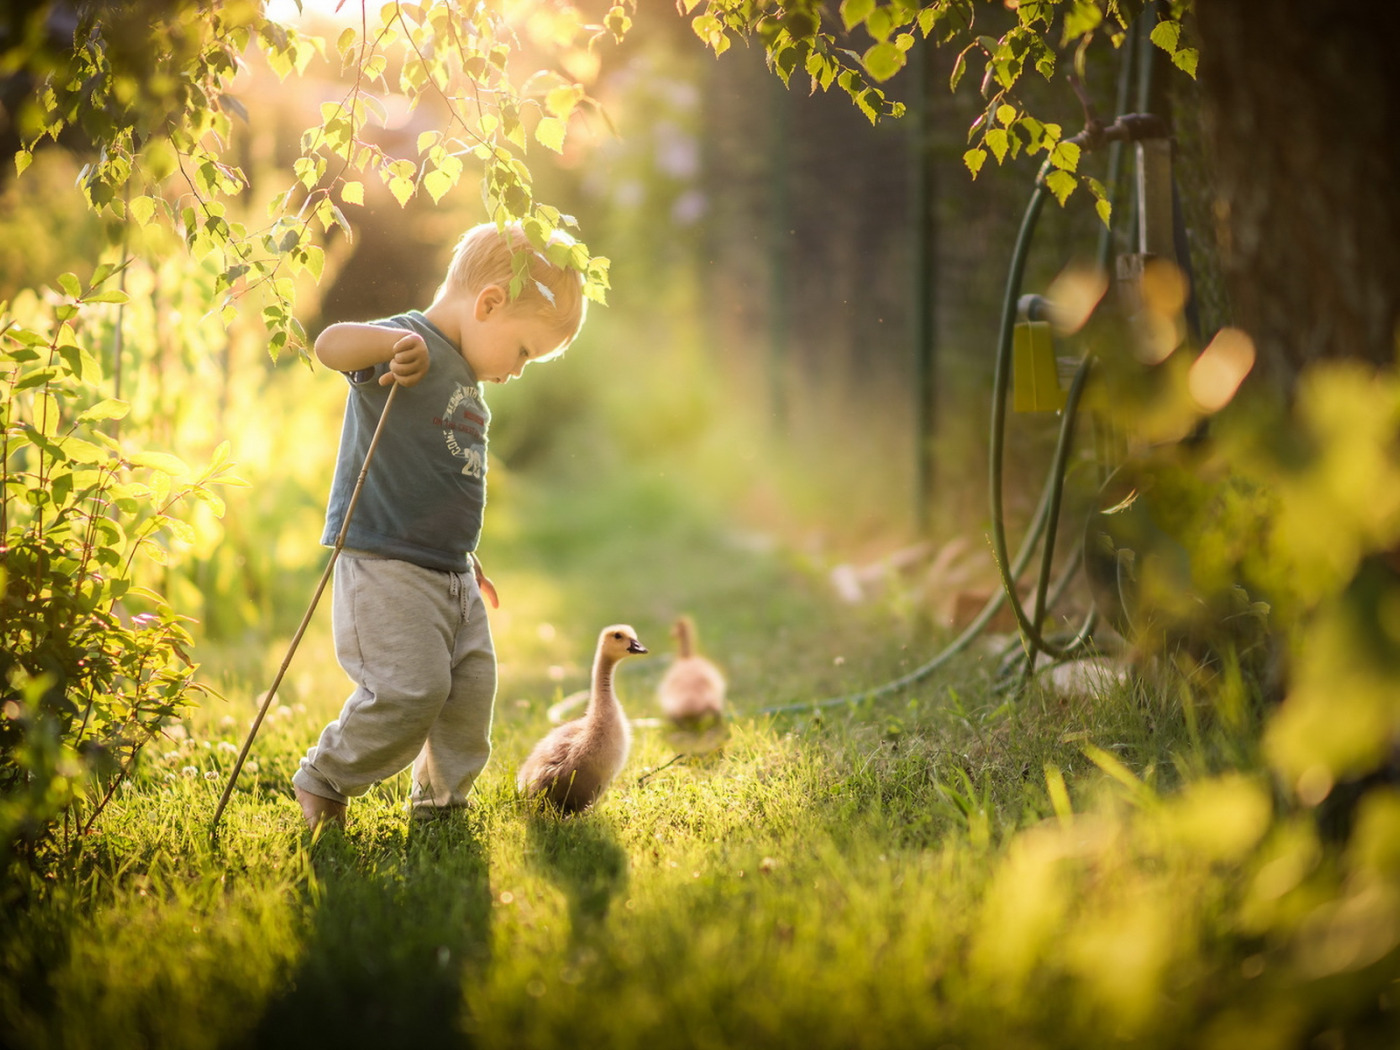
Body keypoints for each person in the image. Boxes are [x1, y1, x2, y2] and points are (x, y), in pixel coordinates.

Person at [291, 221, 588, 829]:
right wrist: (386, 347)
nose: (520, 370)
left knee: (470, 694)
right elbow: (329, 345)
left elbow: (443, 478)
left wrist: (464, 553)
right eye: (526, 350)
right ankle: (326, 778)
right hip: (386, 561)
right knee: (410, 691)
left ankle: (442, 804)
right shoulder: (407, 341)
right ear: (489, 304)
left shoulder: (470, 382)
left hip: (449, 570)